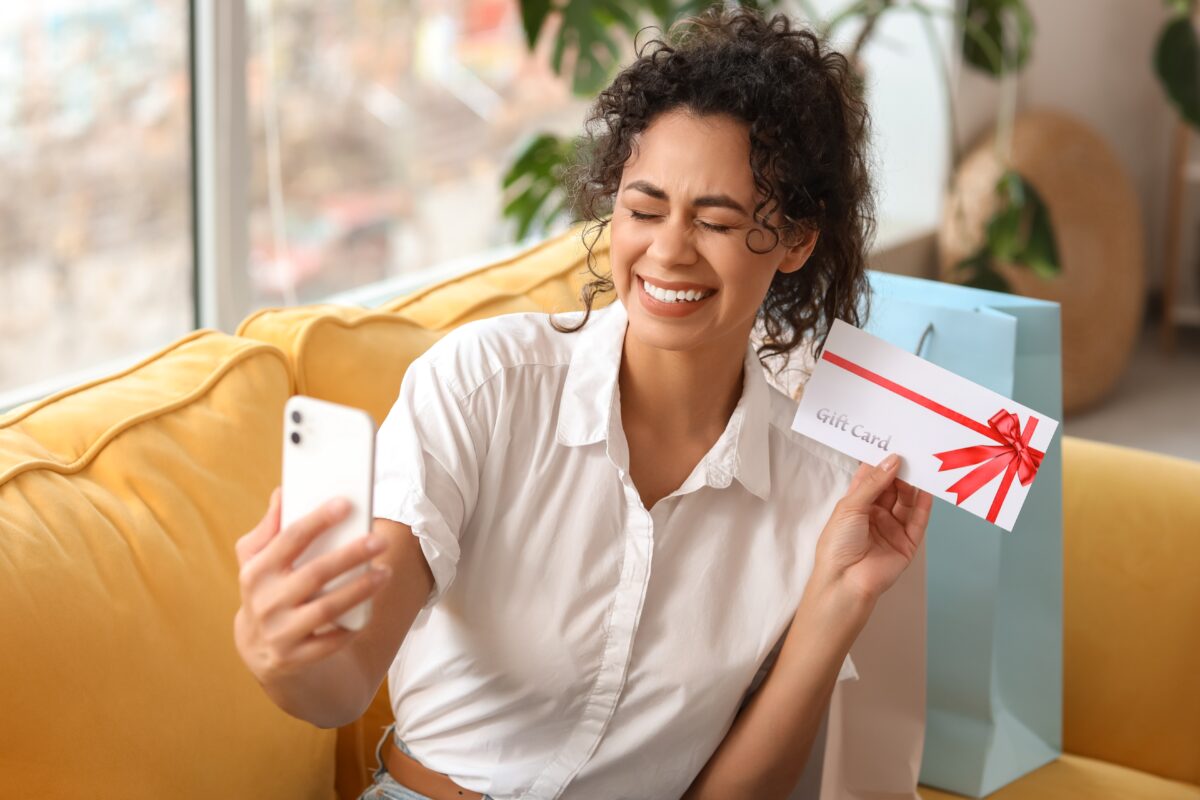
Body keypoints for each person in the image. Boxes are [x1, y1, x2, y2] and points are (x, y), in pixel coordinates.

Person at [233, 6, 932, 800]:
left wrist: (840, 601)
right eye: (643, 209)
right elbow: (343, 681)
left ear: (796, 240)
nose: (668, 249)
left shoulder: (820, 481)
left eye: (717, 221)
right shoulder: (484, 388)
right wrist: (285, 654)